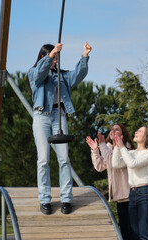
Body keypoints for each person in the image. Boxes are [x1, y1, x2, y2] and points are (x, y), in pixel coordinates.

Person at [27, 42, 92, 215]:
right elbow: (40, 73)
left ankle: (66, 198)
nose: (56, 61)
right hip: (41, 117)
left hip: (59, 117)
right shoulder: (34, 73)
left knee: (64, 159)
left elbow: (78, 74)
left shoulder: (62, 76)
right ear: (43, 57)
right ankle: (45, 199)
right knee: (43, 160)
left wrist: (84, 56)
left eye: (57, 58)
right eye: (53, 58)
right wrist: (51, 55)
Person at [86, 124, 135, 240]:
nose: (113, 130)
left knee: (134, 232)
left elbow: (113, 162)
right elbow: (99, 166)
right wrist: (95, 150)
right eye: (112, 129)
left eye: (117, 129)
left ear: (122, 134)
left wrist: (102, 145)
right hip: (120, 197)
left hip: (131, 195)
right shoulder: (108, 148)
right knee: (125, 232)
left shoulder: (127, 148)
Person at [112, 126, 148, 240]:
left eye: (140, 131)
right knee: (134, 234)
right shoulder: (131, 153)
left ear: (147, 136)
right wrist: (118, 146)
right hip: (132, 194)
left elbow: (133, 164)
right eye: (136, 130)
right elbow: (116, 164)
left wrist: (122, 147)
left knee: (144, 233)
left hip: (145, 194)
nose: (136, 132)